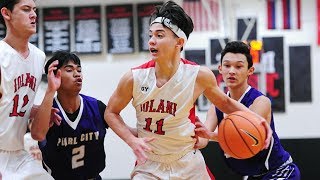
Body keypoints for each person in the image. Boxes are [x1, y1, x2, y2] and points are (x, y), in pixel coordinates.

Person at [104, 1, 272, 179]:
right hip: (150, 163)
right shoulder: (133, 78)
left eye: (160, 35)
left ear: (179, 41)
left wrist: (257, 121)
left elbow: (225, 103)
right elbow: (111, 112)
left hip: (187, 161)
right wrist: (131, 140)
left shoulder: (198, 75)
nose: (152, 40)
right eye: (151, 35)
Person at [194, 41, 300, 179]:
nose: (232, 71)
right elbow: (204, 140)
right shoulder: (215, 108)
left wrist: (212, 135)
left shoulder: (260, 101)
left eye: (238, 66)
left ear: (250, 70)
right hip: (252, 175)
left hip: (279, 171)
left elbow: (247, 136)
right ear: (220, 69)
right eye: (227, 65)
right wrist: (195, 139)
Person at [30, 51, 130, 179]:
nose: (77, 74)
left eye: (79, 69)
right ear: (55, 76)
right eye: (69, 70)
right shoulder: (47, 111)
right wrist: (51, 90)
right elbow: (37, 134)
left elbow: (127, 131)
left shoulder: (96, 107)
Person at [0, 0, 53, 179]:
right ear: (6, 14)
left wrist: (37, 111)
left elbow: (11, 103)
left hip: (18, 153)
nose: (34, 15)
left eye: (34, 10)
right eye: (26, 9)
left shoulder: (39, 57)